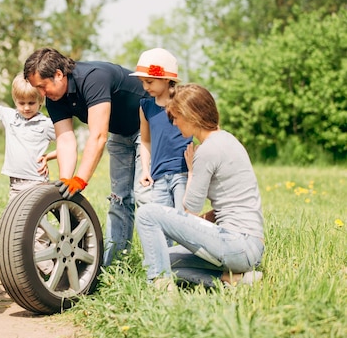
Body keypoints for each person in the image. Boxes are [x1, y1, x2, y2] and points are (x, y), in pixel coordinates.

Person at [24, 47, 151, 266]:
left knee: (144, 196)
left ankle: (160, 268)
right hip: (121, 133)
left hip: (149, 128)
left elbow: (98, 135)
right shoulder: (55, 98)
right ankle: (115, 267)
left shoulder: (93, 78)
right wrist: (66, 182)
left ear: (58, 74)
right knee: (119, 199)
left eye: (42, 87)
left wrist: (81, 179)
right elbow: (65, 140)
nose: (42, 94)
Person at [135, 83, 264, 288]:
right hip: (249, 246)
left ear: (190, 115)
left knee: (147, 213)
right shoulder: (228, 140)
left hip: (238, 244)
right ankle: (236, 281)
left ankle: (160, 289)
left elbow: (190, 211)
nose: (174, 123)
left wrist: (192, 172)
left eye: (175, 117)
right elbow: (227, 206)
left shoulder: (207, 151)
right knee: (160, 258)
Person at [130, 48, 192, 211]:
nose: (145, 86)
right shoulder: (146, 107)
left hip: (182, 172)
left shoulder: (184, 102)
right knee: (163, 223)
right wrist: (145, 169)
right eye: (142, 82)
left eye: (149, 82)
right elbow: (145, 140)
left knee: (184, 220)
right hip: (158, 175)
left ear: (165, 79)